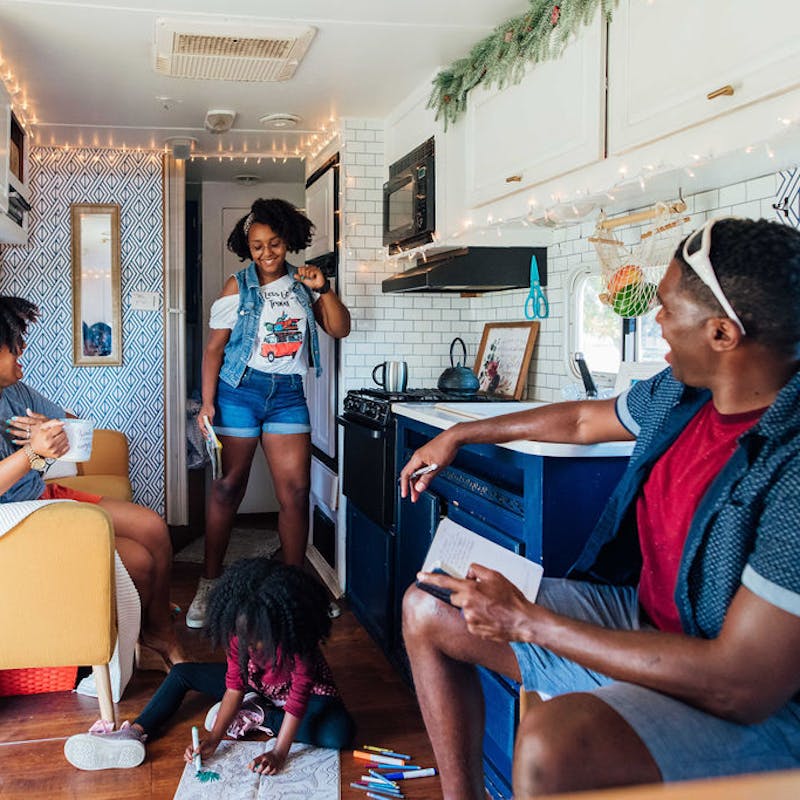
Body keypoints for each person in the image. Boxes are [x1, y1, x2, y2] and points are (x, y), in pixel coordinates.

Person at [398, 217, 800, 799]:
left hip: (755, 706)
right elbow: (583, 418)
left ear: (722, 334)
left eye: (667, 308)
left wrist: (529, 623)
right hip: (645, 624)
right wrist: (462, 434)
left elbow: (741, 684)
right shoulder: (683, 395)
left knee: (552, 748)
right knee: (429, 602)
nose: (656, 320)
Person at [187, 198, 351, 629]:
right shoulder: (236, 287)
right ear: (248, 247)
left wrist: (325, 289)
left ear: (287, 241)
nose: (266, 253)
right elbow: (213, 350)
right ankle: (210, 582)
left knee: (295, 494)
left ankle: (294, 589)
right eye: (257, 245)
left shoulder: (303, 284)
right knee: (227, 488)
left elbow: (339, 328)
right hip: (239, 392)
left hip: (288, 395)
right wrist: (206, 404)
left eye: (274, 244)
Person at [0, 296, 185, 668]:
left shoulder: (14, 391)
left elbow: (72, 419)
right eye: (14, 342)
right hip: (13, 517)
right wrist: (34, 453)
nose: (23, 348)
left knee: (152, 527)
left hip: (41, 496)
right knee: (140, 561)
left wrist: (53, 430)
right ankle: (145, 639)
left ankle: (159, 629)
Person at [63, 558, 355, 772]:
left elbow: (297, 701)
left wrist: (279, 753)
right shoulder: (238, 633)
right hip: (257, 686)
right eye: (244, 640)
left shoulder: (297, 644)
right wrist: (214, 739)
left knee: (339, 733)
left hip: (303, 697)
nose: (249, 647)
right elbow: (233, 688)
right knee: (181, 673)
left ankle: (260, 717)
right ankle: (135, 731)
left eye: (257, 642)